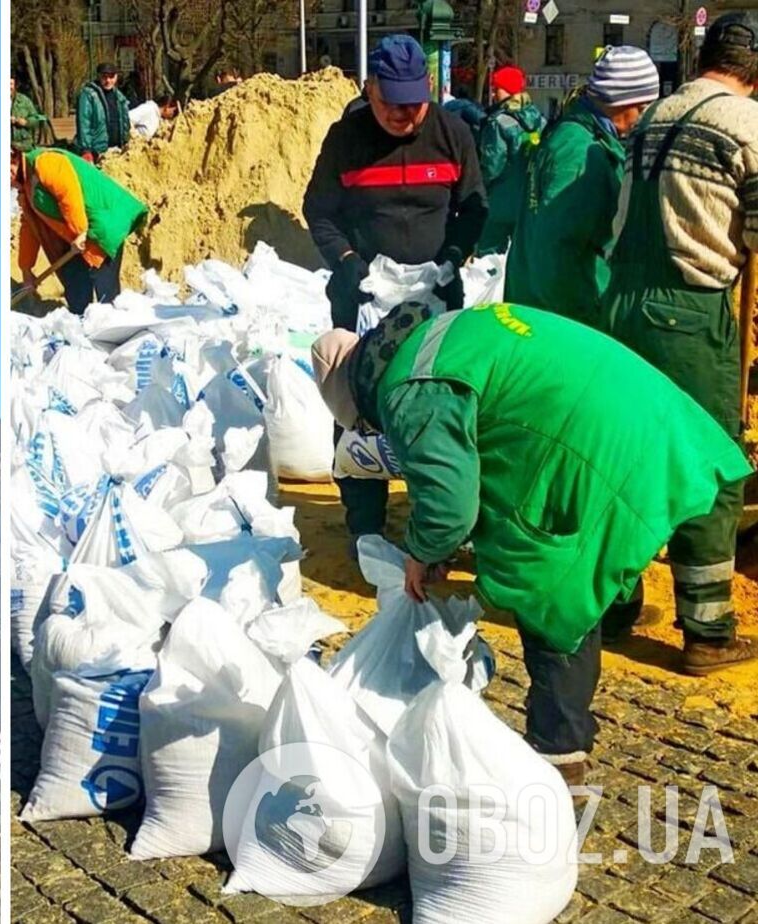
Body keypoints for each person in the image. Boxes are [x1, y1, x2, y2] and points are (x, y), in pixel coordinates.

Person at [309, 302, 750, 784]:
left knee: (548, 587)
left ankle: (560, 755)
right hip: (644, 411)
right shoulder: (435, 337)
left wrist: (422, 552)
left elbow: (450, 505)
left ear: (357, 399)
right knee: (594, 542)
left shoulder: (407, 391)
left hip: (599, 443)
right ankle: (617, 617)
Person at [597, 13, 758, 673]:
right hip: (691, 313)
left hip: (623, 306)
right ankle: (708, 633)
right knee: (709, 467)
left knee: (629, 458)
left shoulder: (657, 115)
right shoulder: (747, 125)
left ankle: (613, 605)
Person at [301, 33, 486, 546]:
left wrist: (453, 257)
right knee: (358, 402)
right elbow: (319, 211)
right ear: (371, 90)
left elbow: (474, 207)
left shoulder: (452, 134)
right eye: (394, 107)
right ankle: (364, 520)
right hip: (362, 292)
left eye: (416, 105)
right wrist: (347, 263)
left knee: (439, 401)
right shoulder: (347, 139)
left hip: (436, 291)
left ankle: (444, 513)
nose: (406, 117)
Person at [505, 46, 662, 322]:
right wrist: (586, 319)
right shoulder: (580, 152)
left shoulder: (576, 136)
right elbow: (557, 250)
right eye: (644, 107)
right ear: (625, 103)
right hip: (566, 319)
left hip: (542, 308)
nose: (644, 117)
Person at [11, 146, 149, 315]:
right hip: (78, 239)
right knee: (77, 294)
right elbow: (30, 227)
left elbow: (68, 196)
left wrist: (80, 232)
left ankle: (112, 335)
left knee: (106, 297)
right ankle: (83, 330)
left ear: (14, 161)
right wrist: (26, 269)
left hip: (99, 229)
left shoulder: (45, 163)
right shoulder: (26, 187)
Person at [476, 65, 546, 254]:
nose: (493, 93)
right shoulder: (539, 119)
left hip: (500, 200)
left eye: (496, 88)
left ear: (507, 89)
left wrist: (479, 186)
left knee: (487, 257)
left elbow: (492, 163)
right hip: (530, 199)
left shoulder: (498, 122)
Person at [73, 63, 130, 163]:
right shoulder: (89, 95)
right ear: (99, 76)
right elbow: (84, 123)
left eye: (111, 77)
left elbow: (125, 123)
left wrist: (126, 142)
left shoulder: (120, 98)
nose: (108, 81)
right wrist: (86, 150)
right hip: (97, 152)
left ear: (116, 77)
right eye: (104, 77)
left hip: (117, 152)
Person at [10, 76, 50, 152]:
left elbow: (35, 118)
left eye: (11, 84)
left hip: (23, 143)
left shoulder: (24, 101)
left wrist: (26, 122)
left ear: (15, 86)